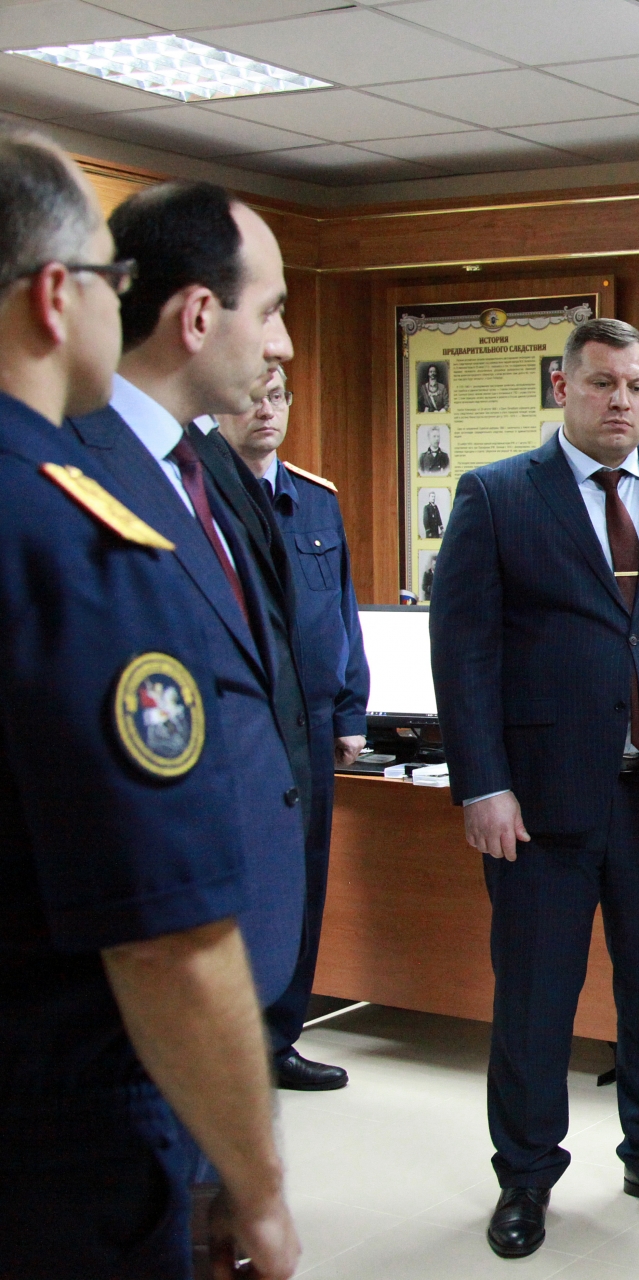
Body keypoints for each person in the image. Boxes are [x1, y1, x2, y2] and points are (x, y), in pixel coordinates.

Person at [0, 130, 299, 1280]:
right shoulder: (74, 534)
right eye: (106, 277)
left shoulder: (202, 470)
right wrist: (258, 1183)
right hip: (56, 1111)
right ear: (53, 295)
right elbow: (163, 934)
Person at [431, 318, 639, 1259]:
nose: (621, 401)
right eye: (602, 383)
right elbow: (463, 653)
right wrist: (482, 785)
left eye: (636, 386)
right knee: (536, 999)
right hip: (539, 804)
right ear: (563, 387)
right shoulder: (497, 494)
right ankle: (525, 1175)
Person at [67, 179, 311, 1005]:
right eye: (271, 312)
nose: (283, 346)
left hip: (237, 926)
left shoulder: (205, 468)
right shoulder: (69, 473)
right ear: (200, 315)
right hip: (141, 968)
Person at [215, 367, 370, 1091]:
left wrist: (351, 710)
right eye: (250, 397)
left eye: (276, 397)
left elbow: (342, 613)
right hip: (242, 729)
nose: (265, 411)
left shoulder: (315, 500)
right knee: (245, 887)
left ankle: (279, 1040)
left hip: (311, 725)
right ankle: (229, 1047)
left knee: (304, 883)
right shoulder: (202, 496)